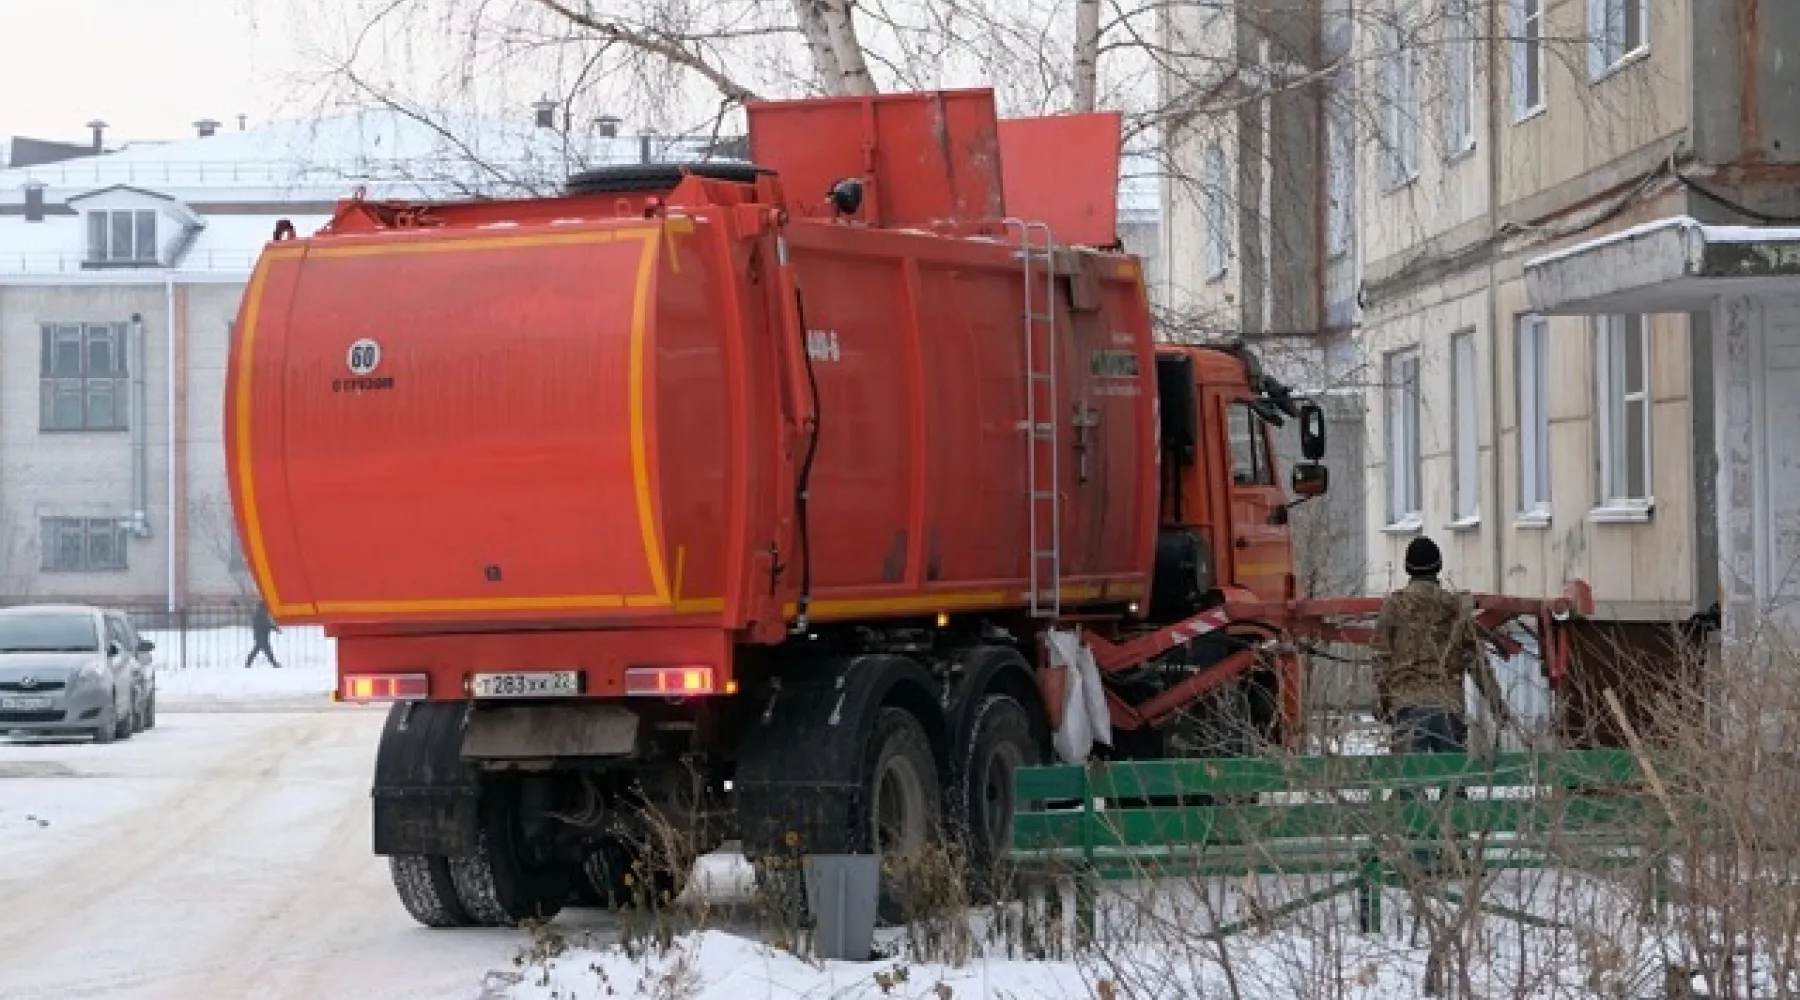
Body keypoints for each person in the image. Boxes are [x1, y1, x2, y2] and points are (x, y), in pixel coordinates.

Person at [1370, 536, 1512, 757]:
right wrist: (1497, 705)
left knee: (1409, 784)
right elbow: (1477, 663)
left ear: (1408, 568)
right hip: (1448, 706)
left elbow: (1381, 660)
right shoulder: (1456, 608)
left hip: (1407, 707)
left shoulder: (1394, 607)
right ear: (1438, 567)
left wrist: (1384, 703)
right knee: (1453, 784)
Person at [246, 600, 282, 669]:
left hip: (260, 635)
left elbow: (266, 624)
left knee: (257, 650)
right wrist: (275, 629)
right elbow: (267, 624)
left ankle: (248, 663)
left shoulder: (260, 613)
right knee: (267, 650)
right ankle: (274, 664)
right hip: (262, 636)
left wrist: (275, 628)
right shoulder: (262, 614)